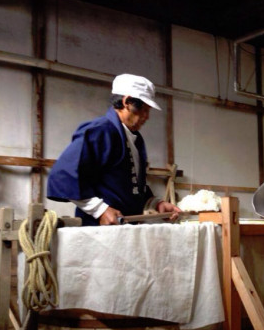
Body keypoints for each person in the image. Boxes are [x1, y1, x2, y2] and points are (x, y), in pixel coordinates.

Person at [47, 74, 181, 226]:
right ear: (127, 102)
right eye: (144, 109)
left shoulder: (134, 138)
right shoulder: (99, 131)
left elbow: (127, 185)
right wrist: (100, 210)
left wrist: (155, 203)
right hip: (98, 230)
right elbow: (63, 176)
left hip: (126, 228)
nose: (147, 116)